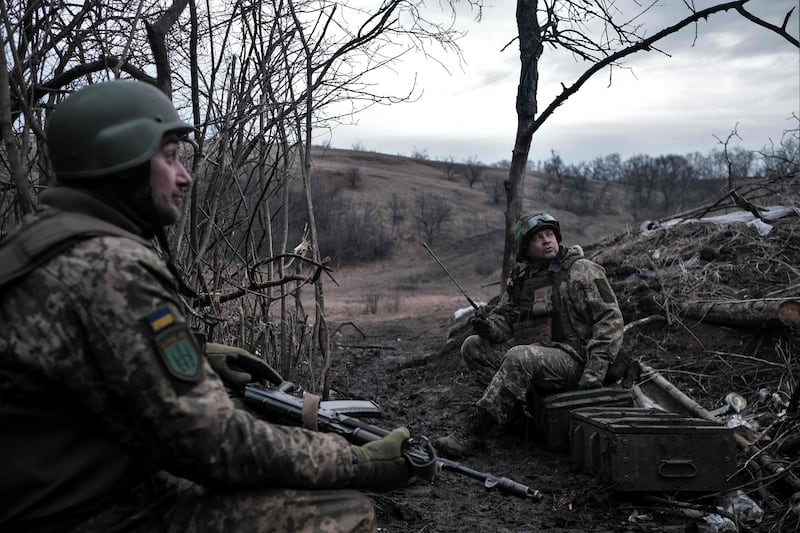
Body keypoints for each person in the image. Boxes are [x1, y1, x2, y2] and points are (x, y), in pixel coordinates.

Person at [0, 80, 419, 533]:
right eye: (170, 157)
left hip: (51, 492)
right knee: (340, 511)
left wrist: (199, 356)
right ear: (122, 159)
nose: (185, 176)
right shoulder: (110, 266)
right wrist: (358, 461)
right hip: (85, 513)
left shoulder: (33, 242)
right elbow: (214, 444)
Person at [434, 212, 625, 458]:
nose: (547, 241)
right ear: (526, 248)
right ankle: (515, 419)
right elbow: (504, 320)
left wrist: (595, 369)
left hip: (576, 358)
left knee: (520, 356)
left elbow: (610, 319)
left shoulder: (581, 271)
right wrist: (487, 326)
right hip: (536, 353)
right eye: (538, 238)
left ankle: (475, 431)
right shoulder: (522, 278)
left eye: (549, 235)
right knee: (472, 346)